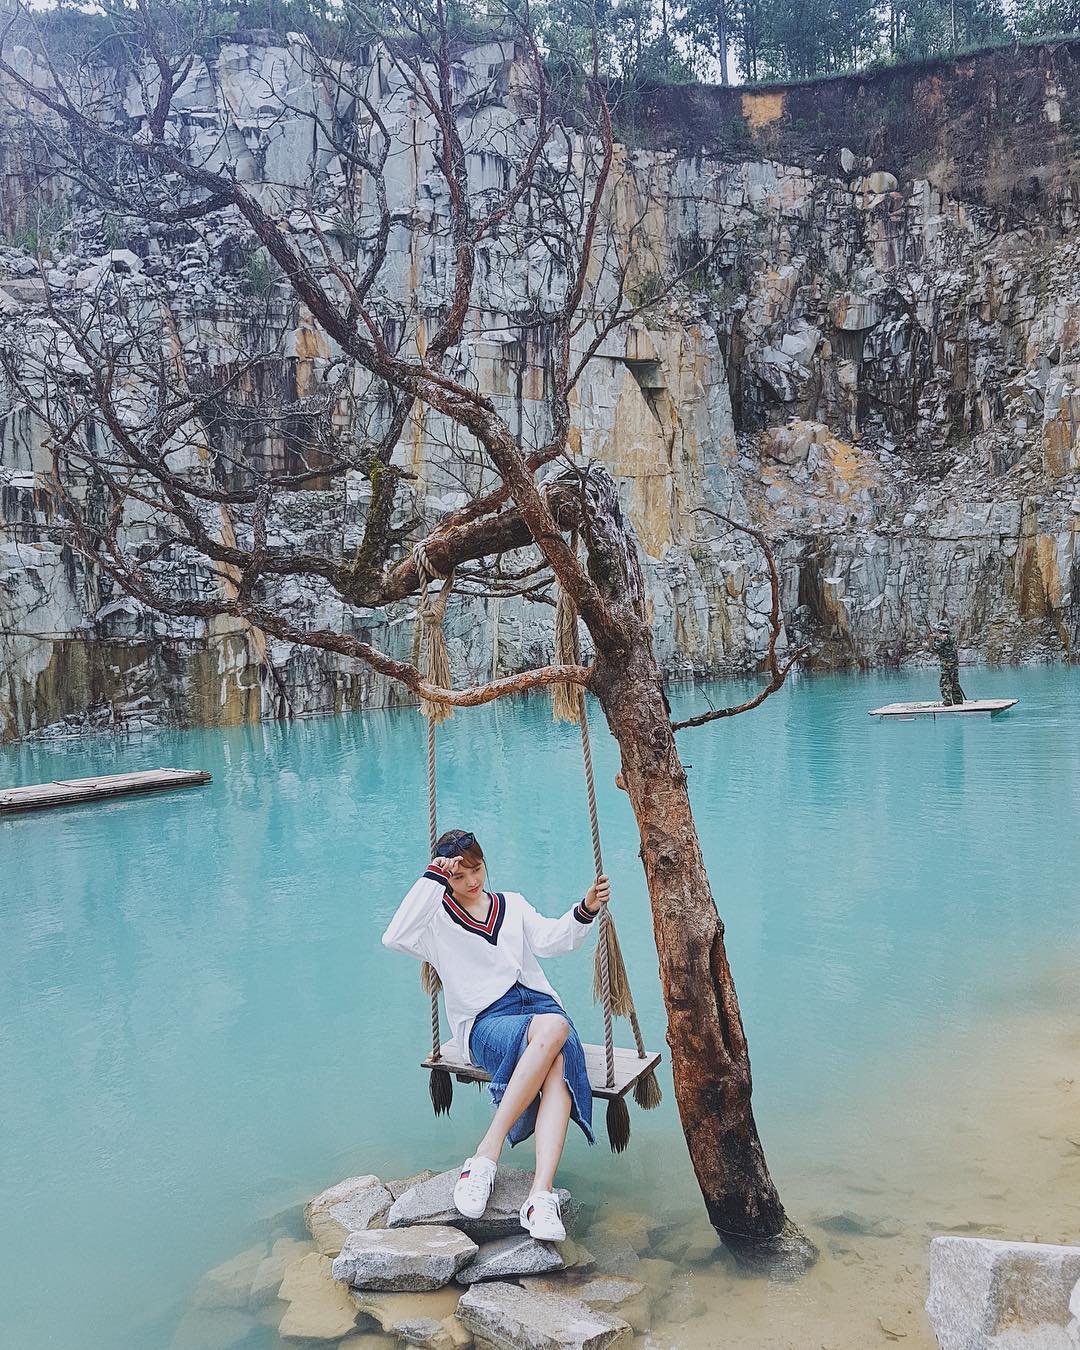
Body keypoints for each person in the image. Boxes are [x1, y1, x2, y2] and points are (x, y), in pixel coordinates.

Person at [382, 828, 609, 1241]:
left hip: (539, 1008)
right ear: (445, 877)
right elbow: (394, 937)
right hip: (485, 1023)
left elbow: (552, 940)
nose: (471, 881)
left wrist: (587, 908)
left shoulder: (512, 904)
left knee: (558, 1053)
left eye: (477, 869)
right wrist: (434, 875)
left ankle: (538, 1194)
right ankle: (489, 1155)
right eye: (459, 875)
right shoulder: (434, 921)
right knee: (557, 1031)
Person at [929, 624, 966, 706]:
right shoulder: (951, 637)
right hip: (954, 663)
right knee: (955, 682)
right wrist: (936, 638)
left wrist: (930, 641)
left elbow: (934, 650)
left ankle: (947, 700)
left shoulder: (942, 639)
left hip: (946, 664)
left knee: (945, 682)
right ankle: (958, 700)